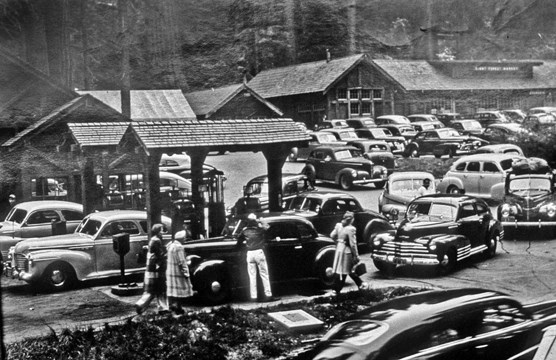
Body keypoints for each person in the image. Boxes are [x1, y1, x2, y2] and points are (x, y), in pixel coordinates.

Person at [237, 213, 278, 302]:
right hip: (259, 252)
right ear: (255, 220)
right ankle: (268, 295)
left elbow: (239, 240)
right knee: (264, 274)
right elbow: (268, 228)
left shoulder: (245, 230)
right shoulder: (259, 229)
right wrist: (262, 221)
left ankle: (253, 296)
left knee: (252, 276)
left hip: (249, 253)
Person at [330, 211, 368, 294]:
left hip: (339, 249)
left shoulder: (338, 226)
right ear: (351, 220)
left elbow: (332, 235)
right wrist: (356, 255)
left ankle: (360, 284)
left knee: (345, 270)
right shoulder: (351, 229)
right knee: (345, 270)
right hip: (346, 251)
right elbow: (353, 244)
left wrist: (338, 242)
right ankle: (337, 289)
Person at [135, 223, 169, 315]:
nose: (163, 231)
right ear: (158, 231)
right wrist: (167, 253)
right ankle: (143, 305)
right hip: (157, 268)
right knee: (159, 289)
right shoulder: (157, 240)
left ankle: (161, 307)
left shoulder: (153, 239)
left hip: (152, 268)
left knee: (154, 290)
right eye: (162, 229)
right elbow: (160, 254)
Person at [166, 230, 194, 317]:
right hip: (178, 272)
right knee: (180, 291)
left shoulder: (170, 246)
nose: (185, 239)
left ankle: (172, 306)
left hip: (170, 271)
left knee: (173, 291)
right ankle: (179, 308)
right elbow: (182, 261)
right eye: (184, 238)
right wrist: (186, 273)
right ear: (181, 239)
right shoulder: (179, 247)